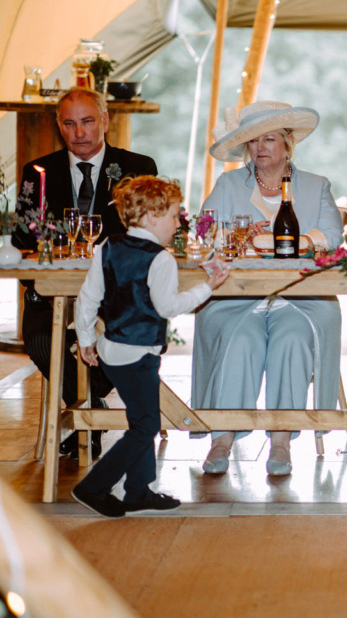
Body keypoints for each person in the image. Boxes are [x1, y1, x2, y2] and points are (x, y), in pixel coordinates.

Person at [193, 101, 345, 476]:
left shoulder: (315, 185)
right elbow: (202, 232)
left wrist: (289, 238)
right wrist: (238, 236)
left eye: (271, 139)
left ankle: (281, 438)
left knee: (290, 339)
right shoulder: (229, 184)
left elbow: (333, 236)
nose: (261, 147)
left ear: (288, 143)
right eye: (254, 141)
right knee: (240, 339)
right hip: (236, 296)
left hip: (303, 297)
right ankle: (222, 436)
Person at [71, 176, 227, 517]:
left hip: (111, 349)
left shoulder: (107, 248)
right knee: (146, 426)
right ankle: (93, 487)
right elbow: (167, 307)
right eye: (174, 215)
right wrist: (207, 288)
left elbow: (87, 299)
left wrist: (85, 340)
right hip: (138, 355)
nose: (177, 223)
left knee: (140, 418)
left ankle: (138, 490)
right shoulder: (161, 259)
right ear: (152, 217)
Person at [15, 87, 157, 459]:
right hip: (52, 296)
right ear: (60, 127)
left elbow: (150, 238)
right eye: (70, 123)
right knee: (43, 340)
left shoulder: (138, 168)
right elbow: (22, 241)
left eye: (88, 121)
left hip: (118, 298)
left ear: (105, 121)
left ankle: (83, 414)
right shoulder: (38, 171)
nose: (80, 132)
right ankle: (91, 407)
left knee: (127, 334)